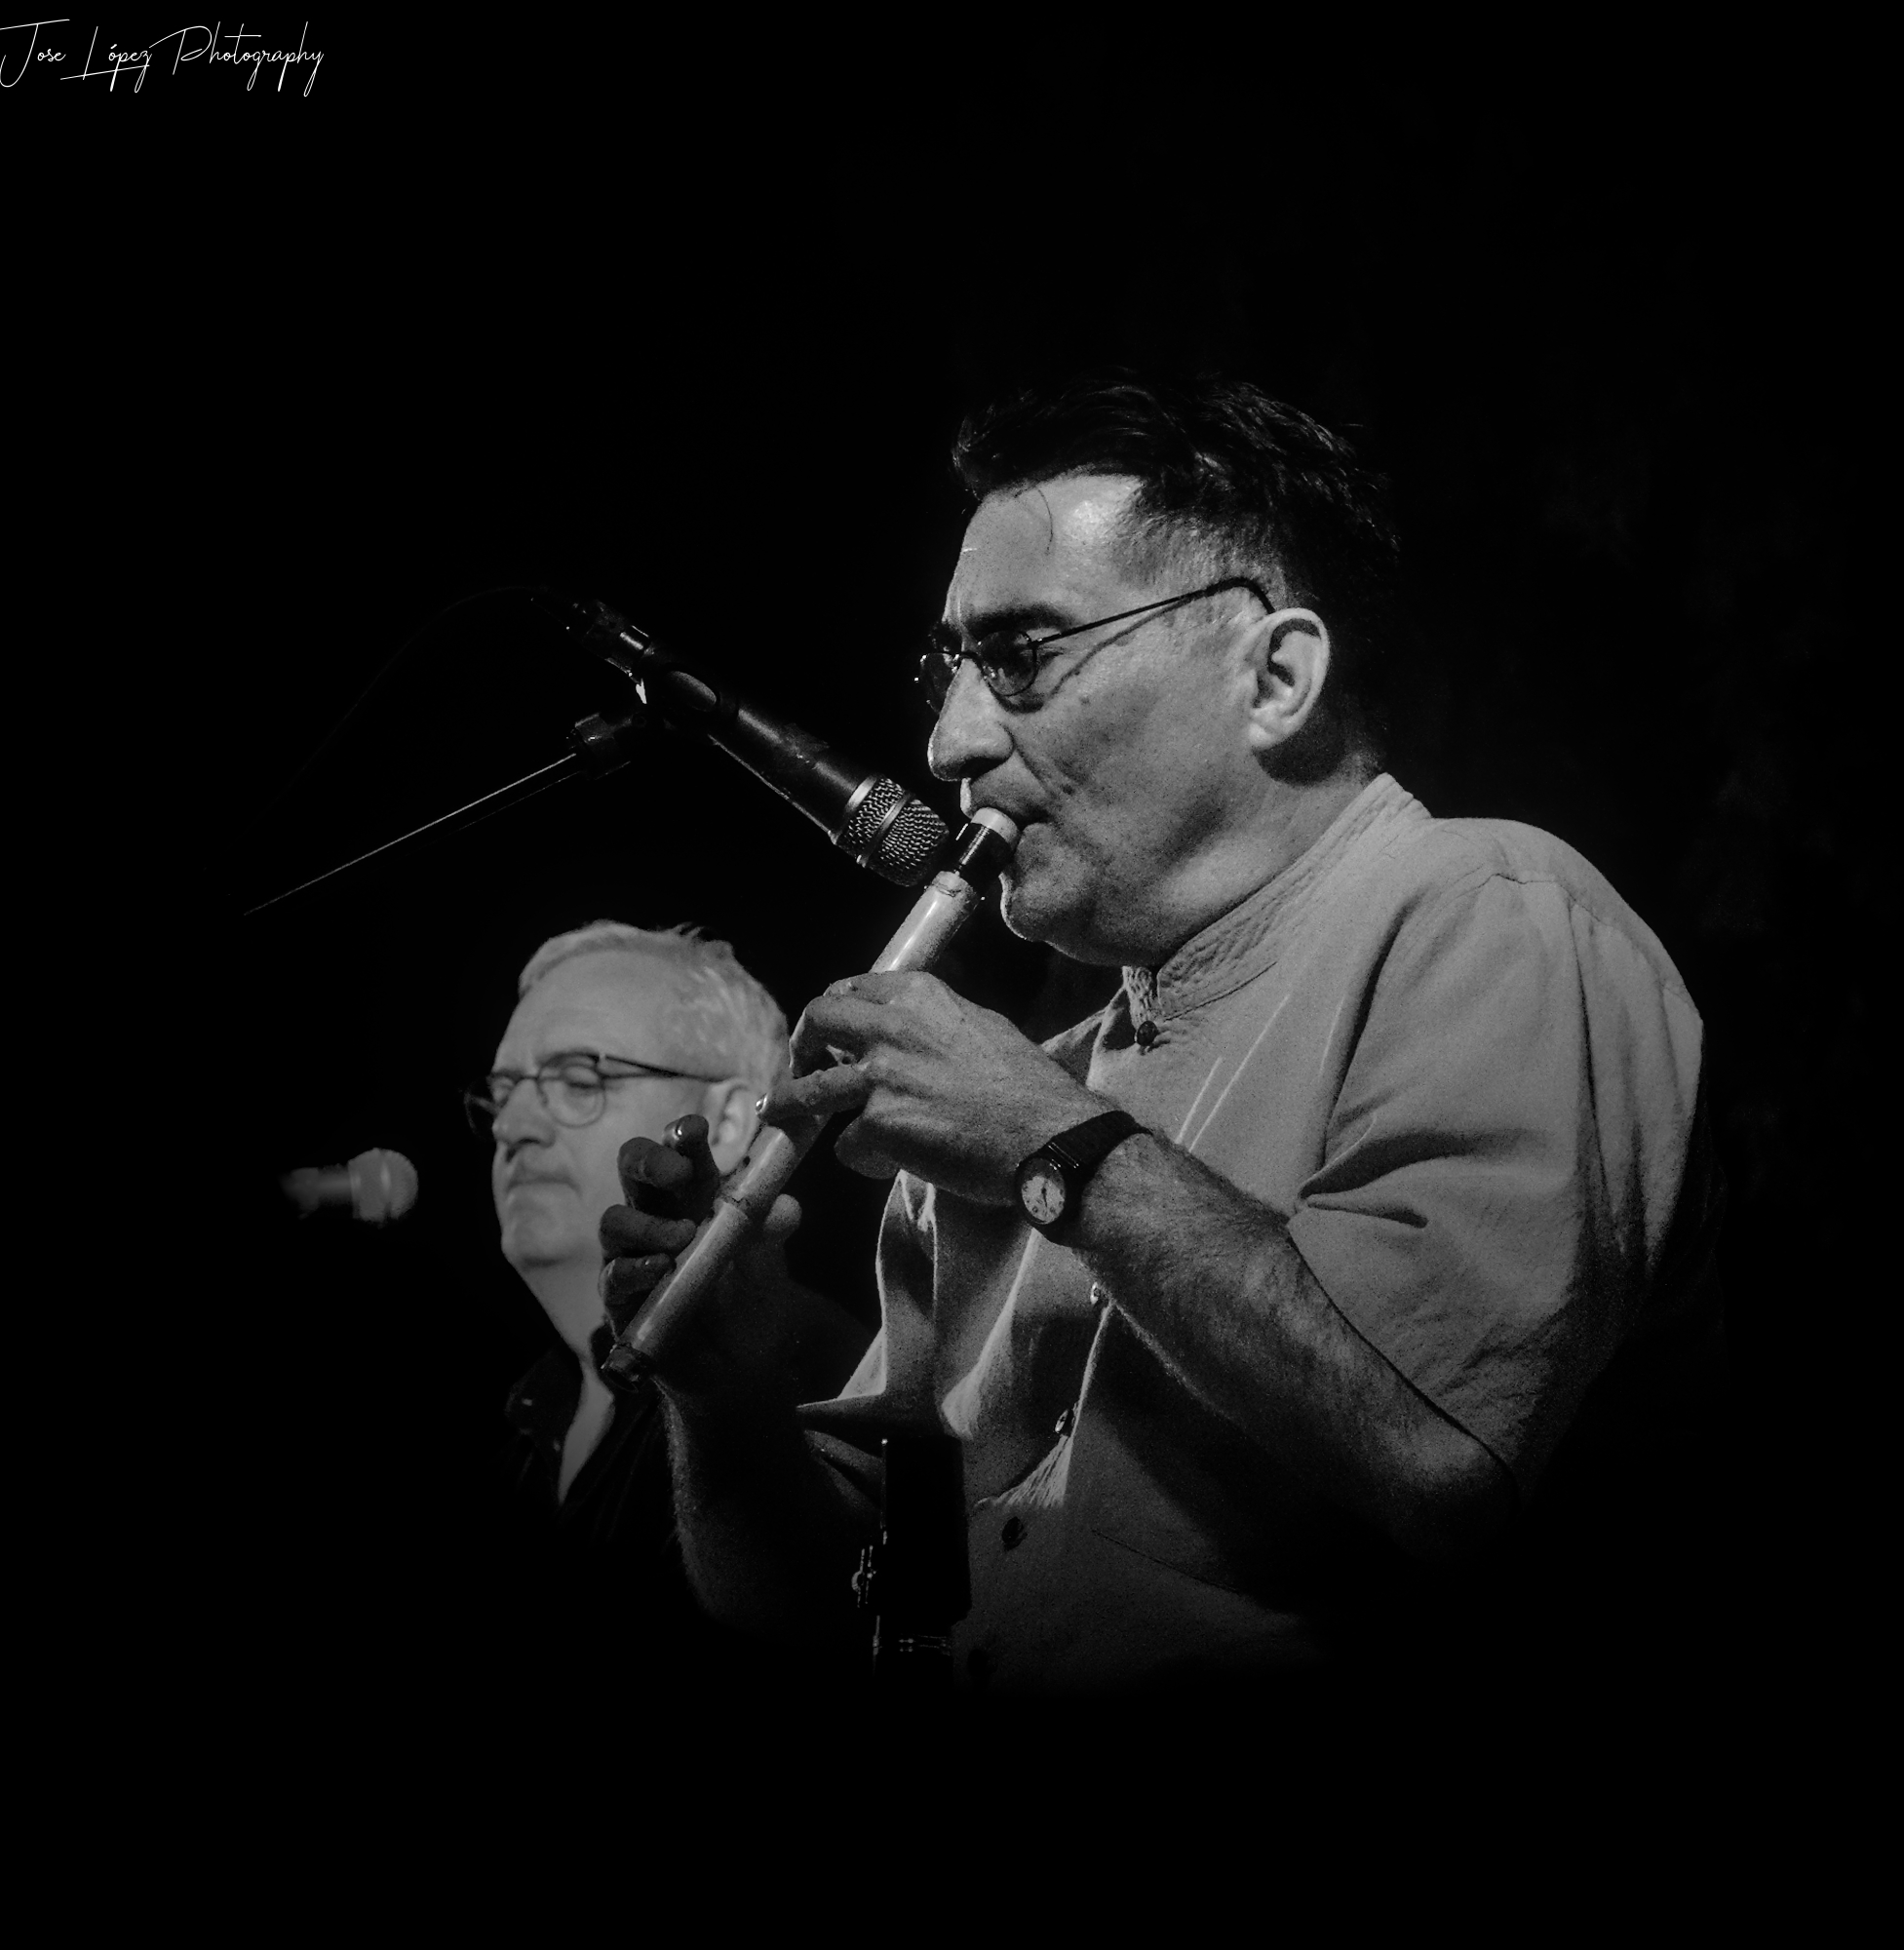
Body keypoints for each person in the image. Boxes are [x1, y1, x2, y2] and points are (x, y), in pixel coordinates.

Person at [599, 374, 1727, 1696]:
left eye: (1021, 654)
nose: (948, 741)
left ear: (1275, 677)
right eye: (947, 668)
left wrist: (1051, 1149)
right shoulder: (1024, 1087)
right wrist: (721, 1399)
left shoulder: (1490, 909)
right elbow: (822, 1601)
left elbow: (1438, 1457)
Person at [471, 919, 867, 1681]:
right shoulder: (528, 1415)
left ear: (730, 1120)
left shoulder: (832, 1377)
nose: (510, 1127)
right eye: (502, 1093)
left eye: (577, 1080)